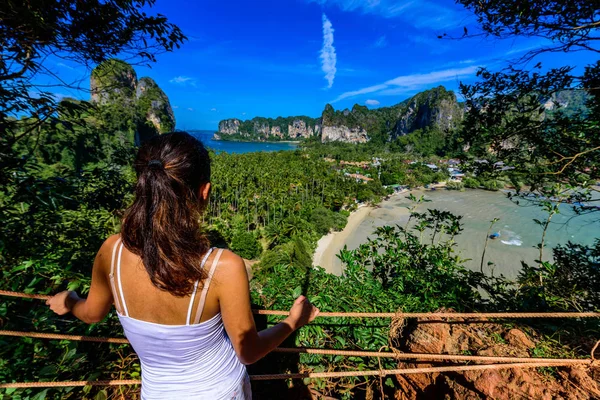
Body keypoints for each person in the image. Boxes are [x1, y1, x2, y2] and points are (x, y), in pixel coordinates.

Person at [46, 132, 319, 399]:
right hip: (222, 391)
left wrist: (69, 300)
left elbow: (92, 313)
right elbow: (247, 352)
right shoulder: (223, 267)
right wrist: (294, 320)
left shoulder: (111, 251)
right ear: (204, 192)